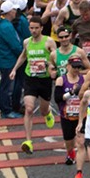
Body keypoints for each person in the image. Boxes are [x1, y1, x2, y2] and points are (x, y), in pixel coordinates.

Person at [10, 16, 59, 154]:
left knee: (43, 110)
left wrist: (50, 65)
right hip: (30, 78)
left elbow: (55, 57)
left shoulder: (48, 41)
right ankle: (28, 142)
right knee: (29, 108)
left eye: (36, 28)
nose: (34, 31)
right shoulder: (27, 42)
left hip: (44, 79)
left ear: (41, 28)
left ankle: (47, 113)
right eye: (31, 28)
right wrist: (14, 69)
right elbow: (23, 56)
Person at [55, 56, 87, 167]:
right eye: (74, 67)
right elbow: (57, 98)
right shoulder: (61, 80)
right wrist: (71, 93)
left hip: (81, 115)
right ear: (68, 66)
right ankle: (70, 153)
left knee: (81, 142)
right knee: (69, 142)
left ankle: (79, 166)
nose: (77, 69)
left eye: (79, 67)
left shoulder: (84, 79)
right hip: (67, 116)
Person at [0, 0, 24, 119]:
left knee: (5, 85)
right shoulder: (6, 26)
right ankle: (6, 110)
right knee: (6, 87)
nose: (15, 11)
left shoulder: (3, 24)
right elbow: (14, 45)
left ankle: (6, 109)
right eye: (13, 9)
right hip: (8, 60)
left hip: (5, 59)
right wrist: (23, 55)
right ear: (8, 12)